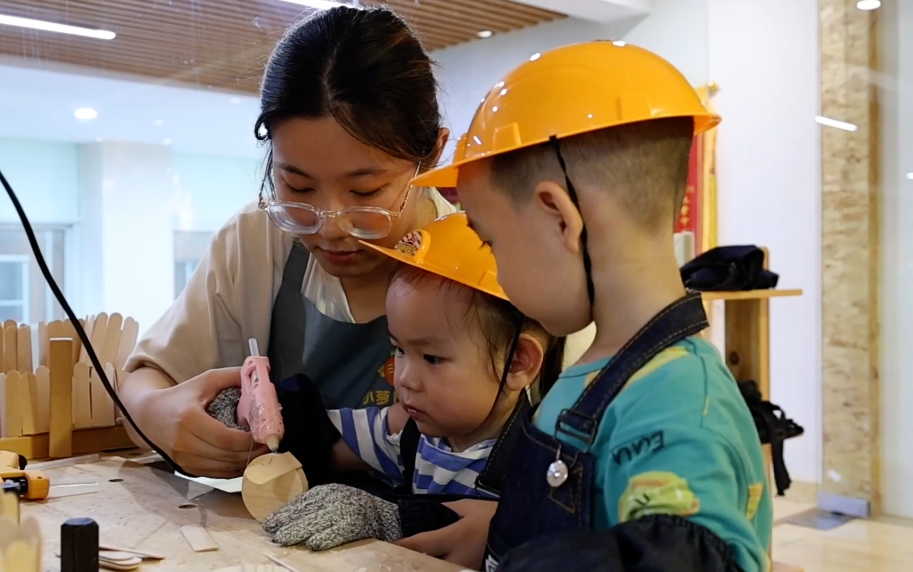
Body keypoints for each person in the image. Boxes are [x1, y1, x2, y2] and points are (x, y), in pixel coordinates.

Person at [398, 42, 772, 572]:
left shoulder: (676, 402)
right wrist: (502, 529)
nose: (498, 270)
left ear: (559, 218)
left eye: (492, 242)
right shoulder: (603, 374)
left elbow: (692, 555)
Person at [119, 5, 457, 478]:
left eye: (365, 192)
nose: (330, 227)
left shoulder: (488, 256)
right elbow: (145, 379)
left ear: (434, 155)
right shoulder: (257, 240)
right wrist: (160, 415)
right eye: (297, 187)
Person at [259, 213, 565, 551]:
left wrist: (394, 518)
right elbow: (319, 434)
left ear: (517, 362)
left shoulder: (546, 466)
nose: (403, 379)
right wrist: (257, 411)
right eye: (400, 349)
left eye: (431, 358)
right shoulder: (406, 432)